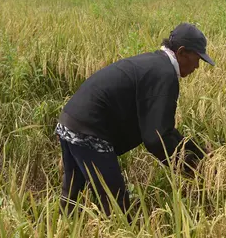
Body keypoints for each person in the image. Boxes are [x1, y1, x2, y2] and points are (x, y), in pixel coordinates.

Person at [55, 22, 215, 216]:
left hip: (69, 120)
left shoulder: (154, 64)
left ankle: (59, 237)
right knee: (116, 205)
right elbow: (156, 139)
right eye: (197, 58)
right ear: (182, 52)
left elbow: (162, 130)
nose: (198, 66)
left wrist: (197, 152)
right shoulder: (165, 75)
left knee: (72, 194)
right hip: (90, 131)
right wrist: (193, 168)